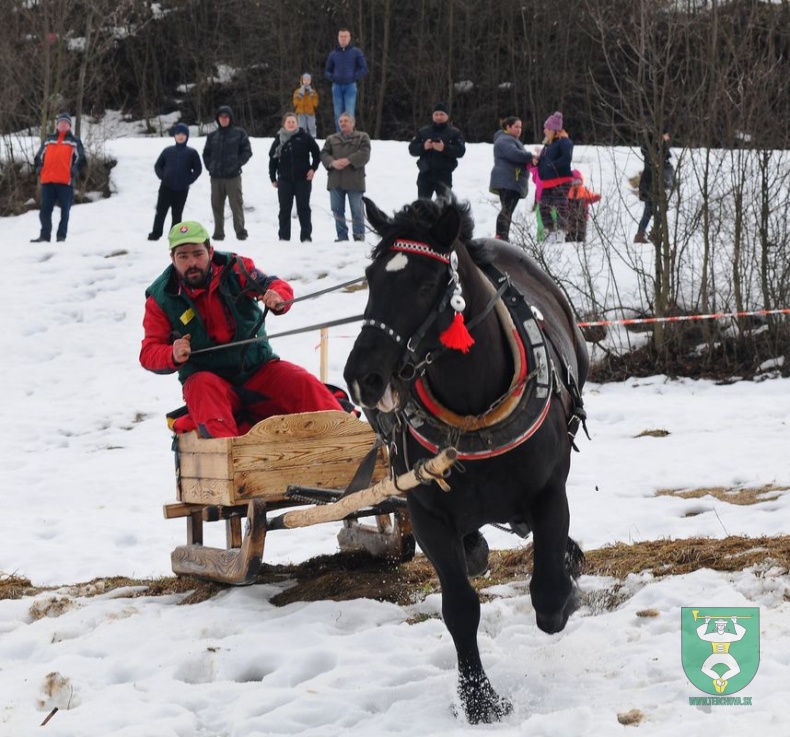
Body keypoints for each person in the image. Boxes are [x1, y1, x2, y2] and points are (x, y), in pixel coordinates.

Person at [139, 221, 343, 438]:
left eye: (198, 254)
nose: (192, 263)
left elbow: (273, 285)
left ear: (210, 251)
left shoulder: (236, 268)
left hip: (259, 369)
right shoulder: (161, 298)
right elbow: (149, 352)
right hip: (209, 380)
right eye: (183, 256)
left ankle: (350, 439)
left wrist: (277, 296)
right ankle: (233, 462)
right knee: (202, 389)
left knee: (302, 382)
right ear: (172, 258)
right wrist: (171, 353)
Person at [31, 112, 87, 243]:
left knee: (65, 212)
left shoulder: (74, 141)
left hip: (65, 182)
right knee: (44, 211)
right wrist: (40, 170)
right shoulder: (48, 139)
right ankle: (44, 236)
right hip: (48, 181)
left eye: (65, 123)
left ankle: (61, 237)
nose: (63, 125)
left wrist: (73, 171)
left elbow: (82, 159)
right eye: (61, 123)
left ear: (69, 126)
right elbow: (38, 157)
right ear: (57, 125)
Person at [202, 105, 252, 241]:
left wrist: (237, 164)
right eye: (221, 117)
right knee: (216, 205)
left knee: (236, 204)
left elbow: (247, 151)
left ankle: (240, 232)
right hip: (216, 177)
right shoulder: (212, 136)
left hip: (233, 177)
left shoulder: (239, 133)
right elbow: (206, 154)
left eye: (226, 117)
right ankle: (218, 233)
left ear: (230, 118)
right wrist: (210, 167)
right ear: (218, 119)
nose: (224, 119)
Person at [268, 112, 320, 243]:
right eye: (288, 122)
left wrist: (313, 169)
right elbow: (273, 159)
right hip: (284, 180)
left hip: (303, 179)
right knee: (284, 210)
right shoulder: (279, 139)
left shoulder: (305, 137)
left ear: (297, 123)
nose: (291, 124)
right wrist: (273, 178)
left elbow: (316, 154)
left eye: (293, 122)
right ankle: (284, 237)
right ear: (284, 124)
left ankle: (306, 237)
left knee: (304, 208)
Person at [320, 113, 371, 242]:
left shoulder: (362, 137)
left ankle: (359, 237)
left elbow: (365, 154)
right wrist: (332, 162)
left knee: (357, 211)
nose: (342, 123)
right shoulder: (331, 139)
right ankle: (342, 237)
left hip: (355, 181)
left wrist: (349, 160)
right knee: (337, 210)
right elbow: (324, 154)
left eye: (346, 121)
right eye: (340, 121)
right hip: (335, 180)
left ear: (352, 123)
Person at [148, 123, 202, 241]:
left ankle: (175, 236)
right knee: (160, 212)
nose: (180, 136)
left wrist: (188, 180)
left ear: (187, 136)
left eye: (183, 134)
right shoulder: (167, 151)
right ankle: (156, 233)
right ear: (175, 136)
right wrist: (163, 176)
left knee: (177, 214)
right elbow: (158, 165)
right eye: (178, 134)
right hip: (166, 187)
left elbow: (198, 169)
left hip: (182, 189)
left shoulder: (191, 153)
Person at [408, 103, 466, 200]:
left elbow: (461, 151)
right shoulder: (423, 132)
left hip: (444, 176)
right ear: (433, 116)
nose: (439, 117)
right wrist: (424, 146)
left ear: (447, 116)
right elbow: (412, 149)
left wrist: (444, 148)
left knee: (445, 209)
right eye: (436, 114)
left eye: (442, 114)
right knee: (422, 208)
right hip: (425, 175)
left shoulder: (455, 133)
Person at [488, 116, 534, 241]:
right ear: (508, 127)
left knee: (507, 209)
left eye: (520, 127)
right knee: (507, 209)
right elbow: (514, 154)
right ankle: (501, 235)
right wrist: (530, 156)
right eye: (516, 127)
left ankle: (503, 236)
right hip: (509, 180)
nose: (519, 130)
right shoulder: (505, 140)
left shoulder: (510, 139)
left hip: (510, 180)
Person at [534, 111, 574, 244]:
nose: (545, 130)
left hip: (561, 180)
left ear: (554, 130)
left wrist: (552, 166)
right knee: (543, 208)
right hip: (547, 182)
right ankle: (550, 230)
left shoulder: (564, 141)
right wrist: (537, 162)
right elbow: (544, 161)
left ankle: (561, 232)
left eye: (547, 128)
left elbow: (566, 158)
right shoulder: (548, 145)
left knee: (560, 206)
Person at [324, 28, 369, 131]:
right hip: (337, 86)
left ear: (349, 38)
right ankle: (339, 138)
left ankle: (350, 137)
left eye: (345, 36)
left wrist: (353, 77)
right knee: (338, 114)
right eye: (341, 37)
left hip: (350, 86)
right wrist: (333, 77)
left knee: (349, 113)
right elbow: (326, 71)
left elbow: (364, 69)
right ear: (338, 38)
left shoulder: (356, 52)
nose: (343, 39)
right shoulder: (333, 54)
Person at [635, 132, 672, 243]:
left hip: (651, 183)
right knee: (658, 208)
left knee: (652, 209)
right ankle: (650, 233)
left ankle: (642, 234)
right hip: (651, 183)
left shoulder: (653, 150)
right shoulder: (653, 151)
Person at [565, 169, 601, 242]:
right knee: (572, 227)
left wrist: (595, 197)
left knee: (581, 227)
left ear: (581, 181)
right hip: (571, 215)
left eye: (578, 182)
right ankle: (571, 237)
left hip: (583, 214)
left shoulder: (583, 190)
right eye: (574, 182)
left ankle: (581, 239)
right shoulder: (569, 191)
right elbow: (566, 202)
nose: (576, 184)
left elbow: (590, 197)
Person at [292, 73, 319, 138]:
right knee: (302, 126)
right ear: (302, 80)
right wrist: (301, 94)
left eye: (308, 80)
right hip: (301, 112)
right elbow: (295, 101)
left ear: (310, 81)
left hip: (310, 112)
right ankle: (302, 138)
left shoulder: (313, 92)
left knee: (312, 126)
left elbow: (316, 101)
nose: (306, 81)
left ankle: (313, 138)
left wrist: (314, 106)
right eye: (305, 80)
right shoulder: (297, 91)